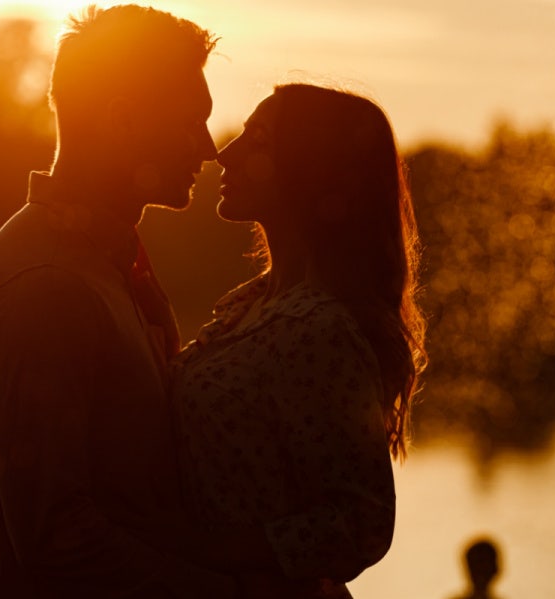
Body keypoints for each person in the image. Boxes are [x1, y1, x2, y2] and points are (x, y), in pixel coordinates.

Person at [0, 5, 229, 598]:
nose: (208, 148)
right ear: (122, 119)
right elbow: (57, 541)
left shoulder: (102, 261)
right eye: (189, 121)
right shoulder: (47, 286)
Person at [169, 83, 427, 597]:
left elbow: (363, 523)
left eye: (257, 139)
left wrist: (206, 550)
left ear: (310, 167)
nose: (226, 153)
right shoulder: (250, 305)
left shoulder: (319, 329)